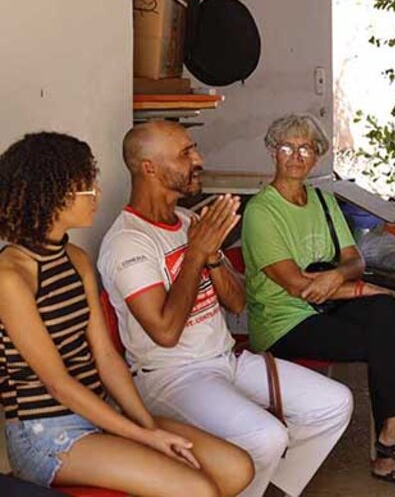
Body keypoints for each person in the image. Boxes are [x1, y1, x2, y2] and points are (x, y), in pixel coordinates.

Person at [98, 121, 353, 497]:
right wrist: (195, 255)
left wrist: (212, 257)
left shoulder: (188, 221)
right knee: (267, 436)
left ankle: (268, 488)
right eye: (185, 153)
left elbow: (236, 303)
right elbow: (165, 333)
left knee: (334, 403)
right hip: (170, 376)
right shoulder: (127, 242)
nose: (198, 159)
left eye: (194, 148)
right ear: (149, 167)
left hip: (225, 361)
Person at [0, 132, 253, 496]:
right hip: (47, 434)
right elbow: (58, 383)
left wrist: (147, 424)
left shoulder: (76, 260)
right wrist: (143, 436)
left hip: (100, 413)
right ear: (52, 194)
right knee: (196, 489)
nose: (98, 194)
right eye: (86, 186)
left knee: (235, 468)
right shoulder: (11, 276)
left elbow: (105, 356)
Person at [240, 114, 395, 489]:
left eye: (306, 148)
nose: (296, 156)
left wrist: (337, 275)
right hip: (283, 322)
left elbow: (356, 260)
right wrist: (363, 288)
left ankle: (391, 436)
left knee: (384, 312)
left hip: (326, 305)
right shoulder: (261, 212)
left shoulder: (322, 199)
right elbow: (299, 287)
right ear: (272, 152)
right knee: (383, 327)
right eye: (287, 147)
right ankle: (390, 441)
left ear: (316, 156)